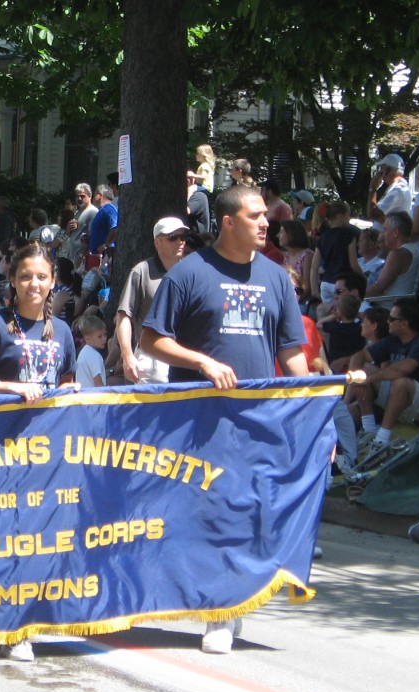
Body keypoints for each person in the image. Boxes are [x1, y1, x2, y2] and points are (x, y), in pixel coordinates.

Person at [140, 183, 309, 655]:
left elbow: (292, 352)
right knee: (205, 512)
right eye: (255, 216)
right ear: (228, 222)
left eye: (266, 217)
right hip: (199, 420)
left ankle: (228, 605)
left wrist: (315, 409)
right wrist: (201, 362)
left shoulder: (276, 278)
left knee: (248, 512)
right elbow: (152, 340)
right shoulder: (190, 274)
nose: (266, 223)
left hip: (257, 419)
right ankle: (212, 604)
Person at [0, 243, 78, 662]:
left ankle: (29, 618)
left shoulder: (61, 331)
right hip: (1, 448)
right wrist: (10, 388)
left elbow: (63, 380)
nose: (34, 284)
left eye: (42, 277)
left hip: (46, 453)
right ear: (12, 280)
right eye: (26, 276)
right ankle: (10, 626)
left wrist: (68, 391)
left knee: (38, 536)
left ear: (53, 282)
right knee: (6, 535)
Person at [347, 297, 419, 455]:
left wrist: (367, 380)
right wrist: (358, 379)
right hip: (401, 401)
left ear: (404, 323)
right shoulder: (393, 340)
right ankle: (369, 430)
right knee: (366, 369)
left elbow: (401, 370)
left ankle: (381, 440)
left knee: (401, 382)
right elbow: (359, 356)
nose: (388, 321)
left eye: (392, 318)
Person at [116, 217, 191, 385]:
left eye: (183, 237)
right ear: (158, 242)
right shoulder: (141, 272)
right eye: (173, 237)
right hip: (150, 359)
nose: (180, 242)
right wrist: (127, 355)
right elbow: (124, 316)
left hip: (185, 355)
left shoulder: (190, 272)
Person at [368, 212, 419, 300]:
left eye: (385, 230)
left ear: (395, 233)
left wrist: (353, 296)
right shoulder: (412, 250)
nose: (383, 235)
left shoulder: (397, 254)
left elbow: (378, 288)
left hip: (387, 309)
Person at [367, 153, 410, 223]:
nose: (381, 173)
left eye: (382, 169)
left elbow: (372, 214)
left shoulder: (397, 190)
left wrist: (373, 188)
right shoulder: (400, 187)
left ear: (389, 170)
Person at [75, 313, 108, 388]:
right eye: (99, 336)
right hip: (94, 397)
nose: (104, 339)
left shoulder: (83, 352)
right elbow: (98, 382)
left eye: (105, 334)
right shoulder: (94, 355)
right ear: (87, 339)